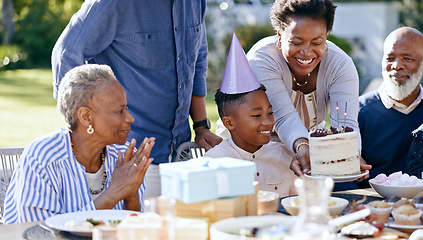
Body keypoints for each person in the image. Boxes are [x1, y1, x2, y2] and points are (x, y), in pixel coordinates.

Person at [51, 0, 222, 198]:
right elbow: (66, 53)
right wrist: (86, 135)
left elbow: (197, 60)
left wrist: (201, 126)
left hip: (181, 160)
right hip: (125, 162)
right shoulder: (114, 3)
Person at [3, 64, 154, 223]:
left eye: (127, 108)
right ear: (86, 116)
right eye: (120, 110)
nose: (130, 118)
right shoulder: (43, 158)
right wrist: (112, 194)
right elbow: (42, 232)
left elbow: (134, 230)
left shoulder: (123, 154)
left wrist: (130, 193)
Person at [245, 0, 369, 177]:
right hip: (252, 152)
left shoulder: (341, 66)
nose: (306, 52)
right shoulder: (262, 60)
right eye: (296, 42)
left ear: (326, 36)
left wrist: (349, 157)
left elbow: (346, 124)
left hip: (308, 156)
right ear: (280, 36)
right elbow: (284, 117)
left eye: (317, 42)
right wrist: (303, 146)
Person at [204, 34, 297, 197]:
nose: (268, 122)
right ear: (229, 123)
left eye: (270, 113)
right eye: (256, 115)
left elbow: (301, 202)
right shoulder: (213, 162)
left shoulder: (287, 157)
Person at [358, 27, 423, 187]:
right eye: (390, 58)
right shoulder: (357, 112)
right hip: (372, 205)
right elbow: (341, 179)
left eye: (407, 58)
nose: (397, 66)